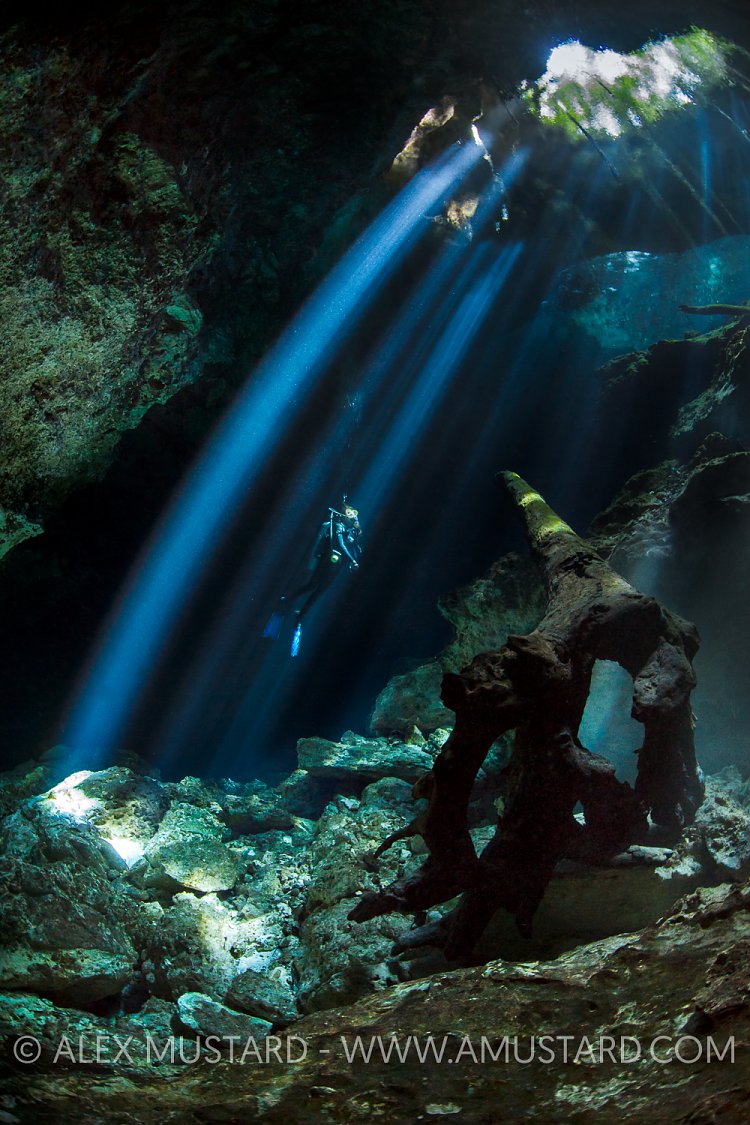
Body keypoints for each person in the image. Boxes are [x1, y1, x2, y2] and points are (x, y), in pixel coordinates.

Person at [263, 499, 363, 655]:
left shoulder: (350, 532)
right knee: (312, 586)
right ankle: (286, 602)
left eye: (354, 516)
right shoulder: (336, 526)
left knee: (317, 591)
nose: (353, 517)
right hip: (327, 562)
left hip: (335, 568)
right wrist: (353, 560)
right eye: (350, 515)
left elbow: (355, 548)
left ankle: (299, 617)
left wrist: (356, 534)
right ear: (343, 515)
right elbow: (341, 545)